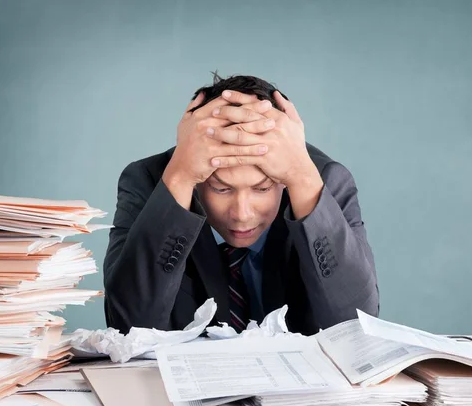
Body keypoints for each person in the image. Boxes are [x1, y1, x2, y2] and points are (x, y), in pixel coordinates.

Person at [103, 74, 379, 335]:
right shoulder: (152, 181)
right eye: (221, 188)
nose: (241, 215)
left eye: (262, 188)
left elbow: (358, 326)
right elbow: (129, 327)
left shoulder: (322, 180)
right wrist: (181, 177)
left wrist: (302, 179)